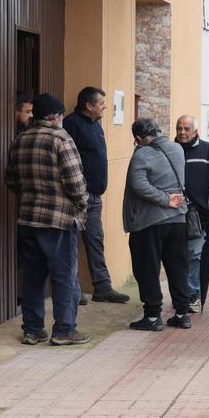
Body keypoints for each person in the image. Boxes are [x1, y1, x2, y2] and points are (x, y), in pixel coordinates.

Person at [5, 93, 90, 346]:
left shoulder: (20, 140)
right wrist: (82, 204)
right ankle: (64, 329)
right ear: (56, 116)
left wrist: (30, 197)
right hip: (59, 221)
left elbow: (11, 180)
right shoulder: (62, 139)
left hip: (28, 219)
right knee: (64, 276)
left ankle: (33, 329)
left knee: (33, 277)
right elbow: (75, 181)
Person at [123, 118, 192, 330]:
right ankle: (182, 313)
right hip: (178, 220)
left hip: (149, 221)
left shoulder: (142, 153)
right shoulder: (177, 149)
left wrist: (164, 199)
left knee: (147, 268)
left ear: (138, 138)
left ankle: (153, 317)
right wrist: (171, 200)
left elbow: (138, 185)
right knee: (178, 267)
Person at [63, 86, 129, 304]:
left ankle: (102, 287)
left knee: (95, 241)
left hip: (95, 197)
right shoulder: (72, 124)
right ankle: (73, 290)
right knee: (70, 244)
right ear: (89, 105)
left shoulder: (95, 125)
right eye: (101, 103)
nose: (104, 107)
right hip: (77, 196)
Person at [175, 114, 209, 313]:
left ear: (196, 131)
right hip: (174, 215)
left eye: (186, 129)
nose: (182, 133)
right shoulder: (171, 151)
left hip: (199, 217)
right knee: (177, 257)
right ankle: (181, 294)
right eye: (179, 129)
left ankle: (193, 295)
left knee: (194, 256)